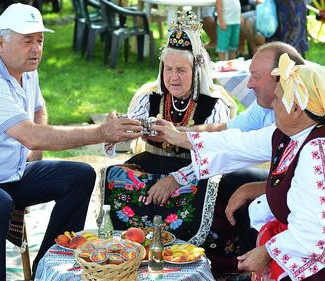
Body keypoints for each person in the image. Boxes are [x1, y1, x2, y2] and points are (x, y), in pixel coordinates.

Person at [0, 3, 142, 281]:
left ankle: (48, 269)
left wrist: (37, 147)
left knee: (80, 176)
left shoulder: (27, 69)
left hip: (10, 174)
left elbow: (39, 110)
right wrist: (101, 132)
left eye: (40, 40)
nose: (36, 48)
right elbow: (29, 133)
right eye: (27, 40)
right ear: (0, 43)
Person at [102, 10, 265, 276]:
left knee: (201, 191)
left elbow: (216, 154)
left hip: (197, 170)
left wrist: (175, 177)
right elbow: (125, 136)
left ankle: (189, 263)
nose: (173, 77)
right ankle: (135, 253)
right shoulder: (149, 97)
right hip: (152, 162)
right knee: (117, 176)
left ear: (197, 70)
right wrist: (119, 130)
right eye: (168, 69)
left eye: (181, 70)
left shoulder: (215, 104)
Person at [152, 53, 325, 280]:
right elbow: (237, 143)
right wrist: (177, 137)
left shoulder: (316, 152)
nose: (272, 104)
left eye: (278, 98)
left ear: (295, 110)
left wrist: (267, 252)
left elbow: (314, 234)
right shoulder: (288, 133)